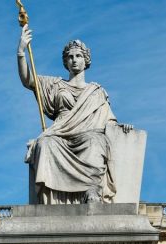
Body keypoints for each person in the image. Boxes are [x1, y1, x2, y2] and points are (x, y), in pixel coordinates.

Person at [18, 24, 132, 204]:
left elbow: (108, 121)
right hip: (60, 134)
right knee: (44, 143)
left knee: (95, 141)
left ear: (86, 60)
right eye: (70, 57)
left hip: (88, 134)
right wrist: (21, 52)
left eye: (78, 56)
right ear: (65, 62)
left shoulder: (96, 91)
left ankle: (91, 190)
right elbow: (27, 80)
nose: (74, 60)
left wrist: (122, 127)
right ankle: (51, 197)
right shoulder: (55, 84)